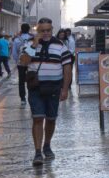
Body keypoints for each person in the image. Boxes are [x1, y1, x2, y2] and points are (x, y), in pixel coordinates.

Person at [19, 17, 73, 166]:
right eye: (42, 31)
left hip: (54, 88)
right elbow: (23, 62)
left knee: (51, 119)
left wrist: (65, 89)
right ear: (37, 30)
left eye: (48, 30)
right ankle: (37, 152)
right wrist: (35, 44)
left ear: (52, 29)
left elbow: (67, 68)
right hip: (36, 88)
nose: (46, 33)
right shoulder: (29, 44)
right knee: (37, 118)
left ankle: (47, 145)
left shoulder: (60, 46)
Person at [12, 23, 33, 107]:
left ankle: (23, 99)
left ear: (21, 29)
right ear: (29, 29)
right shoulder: (32, 39)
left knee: (21, 81)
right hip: (31, 62)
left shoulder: (17, 40)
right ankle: (31, 97)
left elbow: (14, 53)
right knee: (31, 79)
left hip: (21, 63)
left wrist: (17, 60)